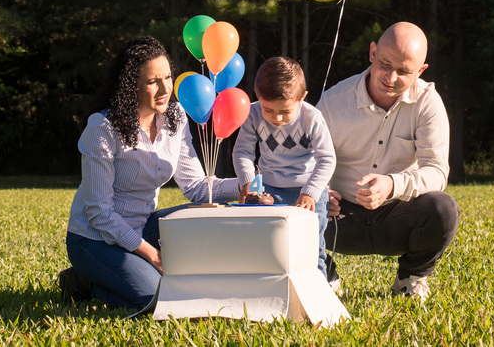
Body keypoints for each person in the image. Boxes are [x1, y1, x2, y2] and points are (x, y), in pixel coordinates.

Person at [61, 35, 241, 310]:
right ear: (130, 86)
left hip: (143, 225)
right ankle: (83, 280)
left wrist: (244, 187)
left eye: (168, 77)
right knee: (158, 298)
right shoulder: (102, 128)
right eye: (152, 81)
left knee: (206, 216)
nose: (164, 89)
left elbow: (196, 187)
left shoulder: (176, 117)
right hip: (94, 238)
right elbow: (99, 214)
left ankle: (120, 276)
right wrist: (152, 256)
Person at [316, 21, 460, 300]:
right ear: (372, 53)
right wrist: (323, 194)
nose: (390, 78)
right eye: (385, 64)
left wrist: (393, 185)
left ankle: (410, 278)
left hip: (399, 213)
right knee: (296, 204)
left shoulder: (428, 103)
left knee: (443, 209)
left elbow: (437, 171)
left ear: (420, 71)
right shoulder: (334, 101)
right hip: (337, 217)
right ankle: (324, 274)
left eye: (404, 72)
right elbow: (308, 164)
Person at [231, 56, 336, 276]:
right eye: (268, 110)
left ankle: (316, 290)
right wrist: (247, 181)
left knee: (311, 247)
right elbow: (242, 151)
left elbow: (327, 159)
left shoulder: (312, 118)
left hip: (308, 192)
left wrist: (311, 192)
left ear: (302, 98)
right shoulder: (253, 113)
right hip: (268, 190)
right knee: (266, 245)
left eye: (285, 111)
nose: (276, 118)